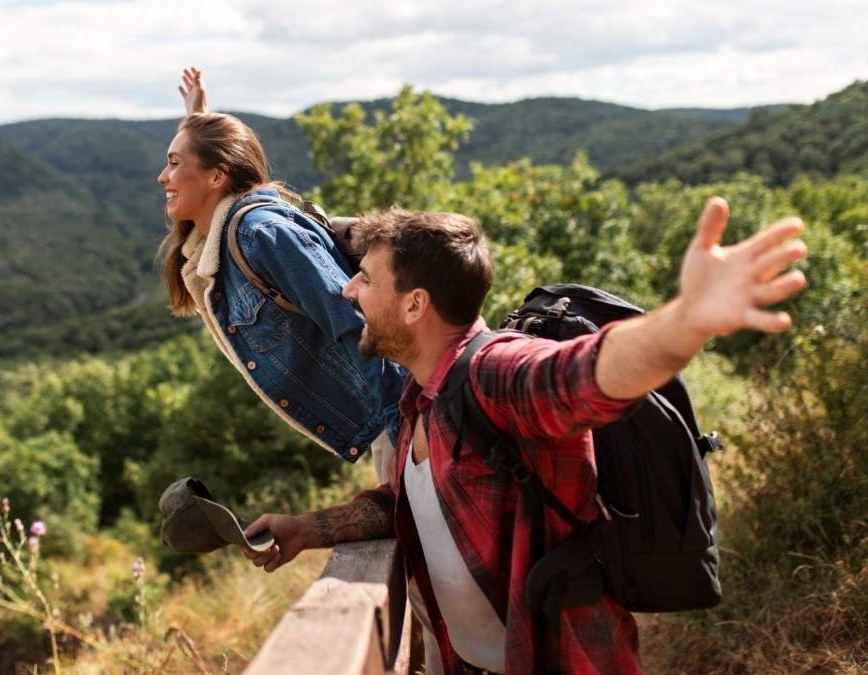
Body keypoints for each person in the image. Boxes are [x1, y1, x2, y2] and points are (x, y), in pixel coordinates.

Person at [242, 199, 808, 674]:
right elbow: (414, 499)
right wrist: (307, 528)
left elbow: (586, 375)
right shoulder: (420, 394)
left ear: (416, 305)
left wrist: (687, 320)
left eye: (365, 279)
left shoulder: (495, 372)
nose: (347, 292)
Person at [157, 67, 404, 473]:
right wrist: (197, 118)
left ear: (218, 176)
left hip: (398, 409)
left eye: (173, 163)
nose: (162, 176)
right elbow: (208, 194)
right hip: (385, 417)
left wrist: (405, 427)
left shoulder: (263, 235)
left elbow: (355, 324)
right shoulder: (214, 244)